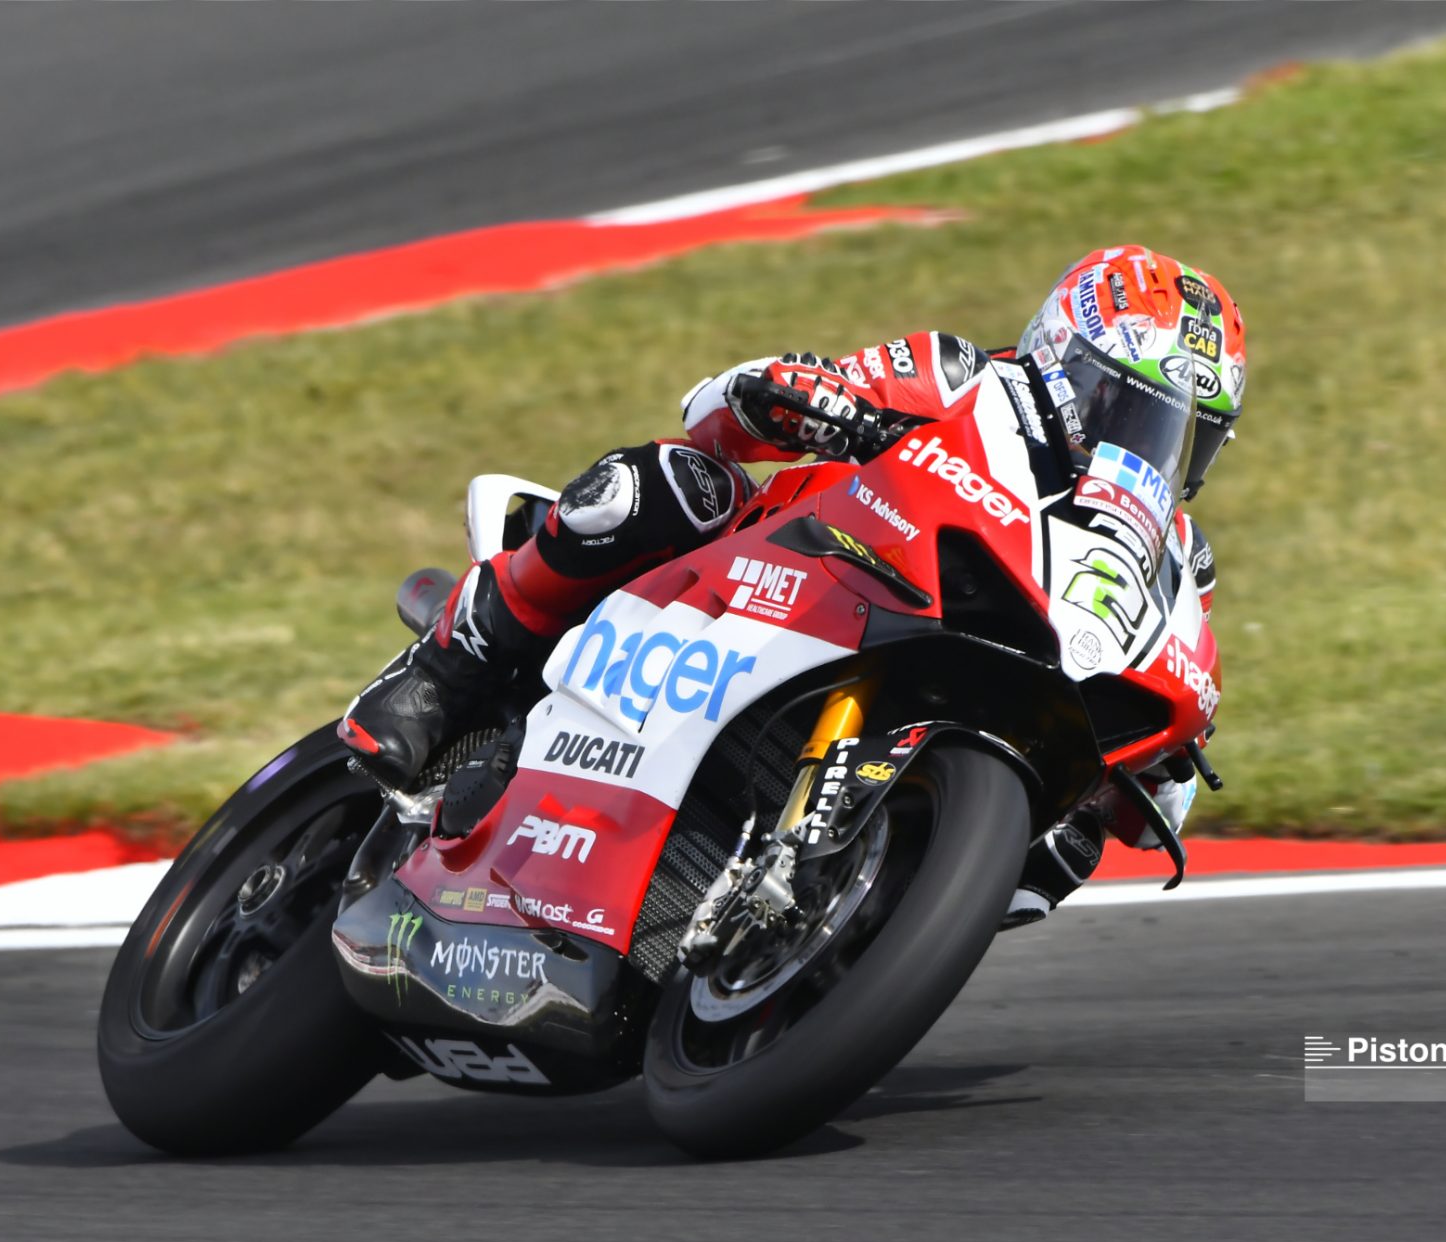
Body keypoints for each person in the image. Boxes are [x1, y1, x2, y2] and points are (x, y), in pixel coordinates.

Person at [338, 244, 1244, 927]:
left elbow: (1168, 765)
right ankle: (451, 663)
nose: (1148, 450)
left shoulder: (1172, 555)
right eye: (1127, 407)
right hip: (774, 578)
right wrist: (807, 397)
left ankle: (836, 913)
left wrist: (1148, 771)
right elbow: (719, 405)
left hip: (966, 666)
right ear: (1061, 356)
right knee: (675, 487)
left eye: (1182, 435)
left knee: (1077, 823)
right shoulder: (964, 380)